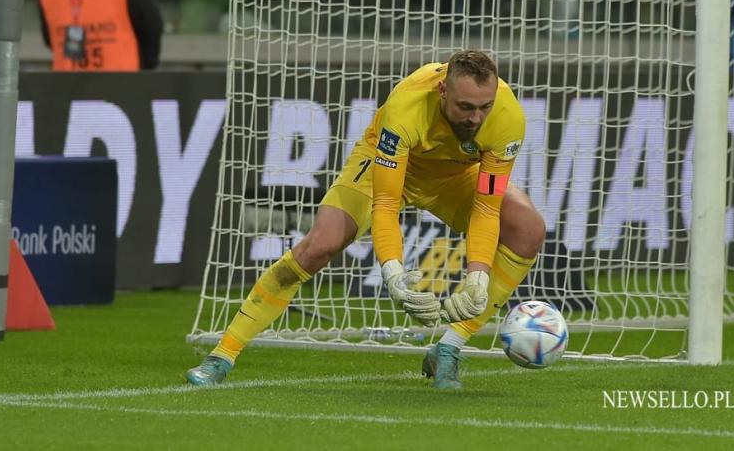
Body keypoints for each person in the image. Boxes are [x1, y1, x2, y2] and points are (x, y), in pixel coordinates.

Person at [187, 50, 546, 389]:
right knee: (319, 245)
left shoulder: (507, 117)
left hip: (454, 178)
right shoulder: (407, 106)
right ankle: (223, 355)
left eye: (484, 107)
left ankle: (450, 347)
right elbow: (387, 202)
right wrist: (393, 273)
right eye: (465, 107)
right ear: (441, 91)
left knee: (528, 230)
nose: (476, 118)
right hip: (385, 169)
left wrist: (478, 276)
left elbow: (487, 206)